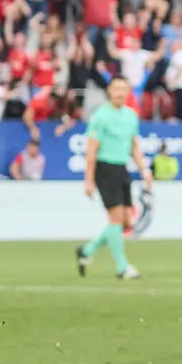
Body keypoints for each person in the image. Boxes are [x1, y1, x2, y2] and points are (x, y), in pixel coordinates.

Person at [76, 77, 153, 280]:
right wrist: (88, 180)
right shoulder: (100, 116)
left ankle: (86, 251)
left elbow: (134, 146)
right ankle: (122, 267)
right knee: (116, 218)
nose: (120, 92)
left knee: (126, 222)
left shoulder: (130, 116)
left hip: (121, 168)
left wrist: (144, 169)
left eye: (124, 89)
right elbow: (91, 151)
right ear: (109, 91)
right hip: (105, 168)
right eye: (116, 88)